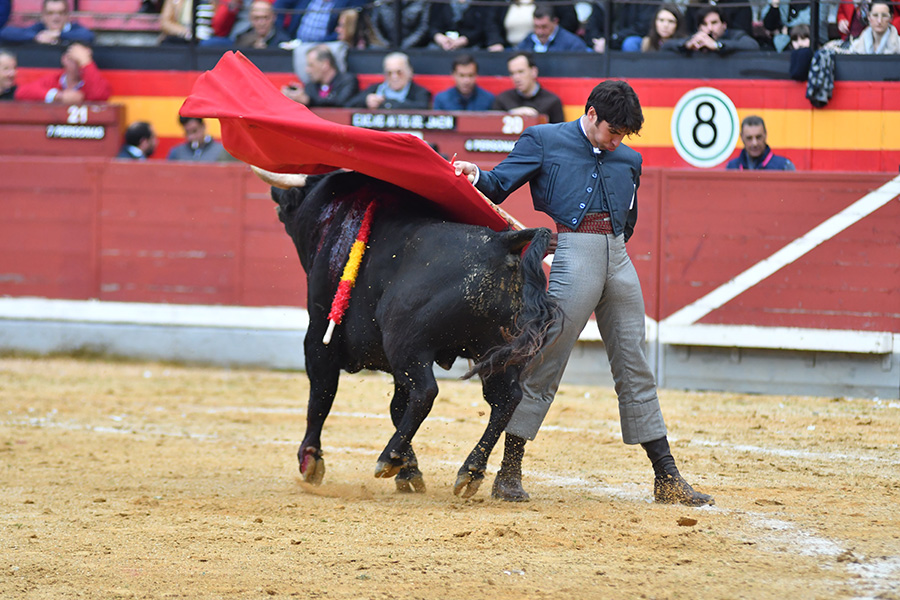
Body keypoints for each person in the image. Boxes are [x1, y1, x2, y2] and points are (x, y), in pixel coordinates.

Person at [453, 80, 714, 507]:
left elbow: (627, 220)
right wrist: (476, 175)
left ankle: (666, 478)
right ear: (591, 113)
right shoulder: (543, 139)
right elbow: (499, 184)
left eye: (624, 135)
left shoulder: (629, 159)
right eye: (614, 131)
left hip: (619, 257)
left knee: (635, 363)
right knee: (545, 361)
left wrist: (607, 244)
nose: (618, 142)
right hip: (575, 254)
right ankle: (509, 472)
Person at [14, 42, 111, 104]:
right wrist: (58, 96)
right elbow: (21, 93)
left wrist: (86, 62)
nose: (80, 65)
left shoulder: (94, 82)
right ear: (64, 59)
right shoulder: (54, 79)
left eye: (83, 61)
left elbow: (99, 96)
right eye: (76, 59)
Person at [491, 52, 564, 123]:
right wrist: (511, 115)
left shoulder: (552, 102)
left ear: (533, 72)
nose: (516, 78)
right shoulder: (502, 99)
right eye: (512, 73)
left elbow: (559, 133)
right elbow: (494, 128)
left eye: (521, 72)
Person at [281, 44, 358, 107]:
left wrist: (309, 101)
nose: (307, 70)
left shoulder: (347, 81)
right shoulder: (310, 86)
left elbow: (340, 103)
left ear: (325, 64)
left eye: (311, 65)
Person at [347, 52, 430, 109]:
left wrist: (386, 103)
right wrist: (365, 100)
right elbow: (349, 105)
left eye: (399, 72)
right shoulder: (375, 89)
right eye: (389, 73)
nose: (394, 77)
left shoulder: (420, 92)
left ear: (410, 72)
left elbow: (422, 108)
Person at [663, 6, 760, 54]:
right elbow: (665, 46)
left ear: (724, 25)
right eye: (704, 24)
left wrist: (717, 45)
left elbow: (753, 45)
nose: (710, 28)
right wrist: (687, 45)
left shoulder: (734, 35)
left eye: (714, 23)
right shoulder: (697, 38)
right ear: (699, 28)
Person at [0, 0, 94, 45]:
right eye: (50, 13)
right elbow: (4, 32)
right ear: (43, 16)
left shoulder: (75, 28)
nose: (56, 17)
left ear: (67, 15)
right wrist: (36, 37)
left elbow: (88, 36)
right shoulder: (38, 29)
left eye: (60, 13)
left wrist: (58, 35)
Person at [726, 115, 796, 171]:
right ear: (741, 137)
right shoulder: (732, 168)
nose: (754, 143)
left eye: (758, 137)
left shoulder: (784, 167)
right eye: (749, 138)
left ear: (765, 135)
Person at [515, 3, 590, 52]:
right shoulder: (527, 41)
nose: (540, 32)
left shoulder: (573, 45)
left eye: (544, 27)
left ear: (555, 22)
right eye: (536, 27)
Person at [366, 0, 431, 49]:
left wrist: (406, 45)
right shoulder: (381, 2)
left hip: (417, 46)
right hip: (385, 44)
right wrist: (386, 43)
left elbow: (423, 27)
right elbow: (374, 25)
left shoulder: (421, 2)